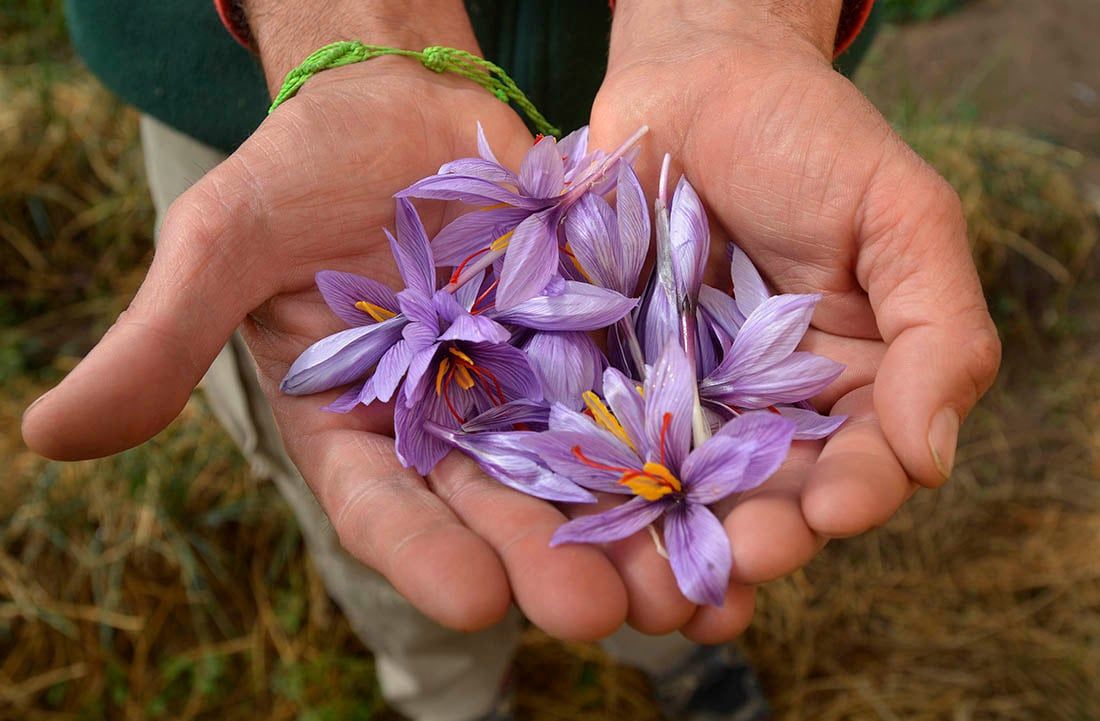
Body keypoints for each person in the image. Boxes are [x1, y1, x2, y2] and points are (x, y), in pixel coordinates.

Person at [23, 1, 1001, 720]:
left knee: (637, 556)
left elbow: (641, 318)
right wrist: (361, 33)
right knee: (390, 529)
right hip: (275, 112)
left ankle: (674, 662)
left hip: (686, 121)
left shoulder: (648, 306)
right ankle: (446, 694)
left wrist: (732, 23)